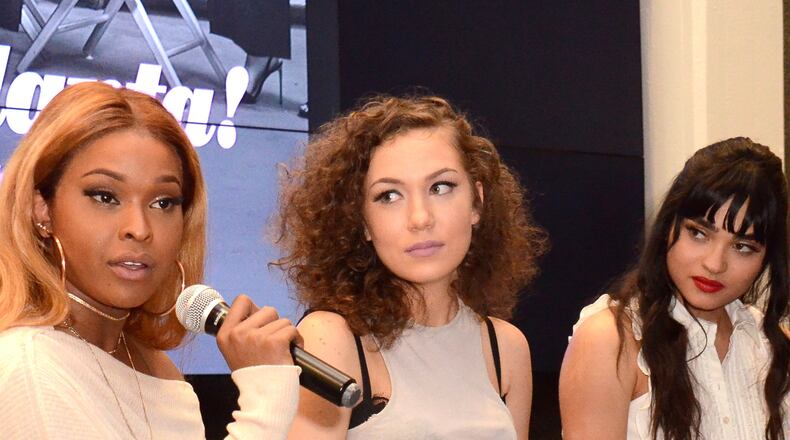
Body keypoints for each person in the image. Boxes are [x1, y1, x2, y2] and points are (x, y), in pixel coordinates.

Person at [0, 82, 302, 439]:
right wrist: (266, 402)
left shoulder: (155, 367)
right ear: (42, 209)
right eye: (105, 197)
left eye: (163, 202)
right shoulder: (28, 363)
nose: (140, 229)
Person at [274, 95, 547, 439]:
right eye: (389, 196)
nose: (420, 218)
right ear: (362, 221)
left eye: (441, 187)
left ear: (477, 202)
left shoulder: (506, 347)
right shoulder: (330, 338)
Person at [559, 137, 790, 439]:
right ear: (669, 226)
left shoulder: (774, 348)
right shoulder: (612, 340)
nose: (714, 264)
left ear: (767, 259)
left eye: (742, 247)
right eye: (699, 233)